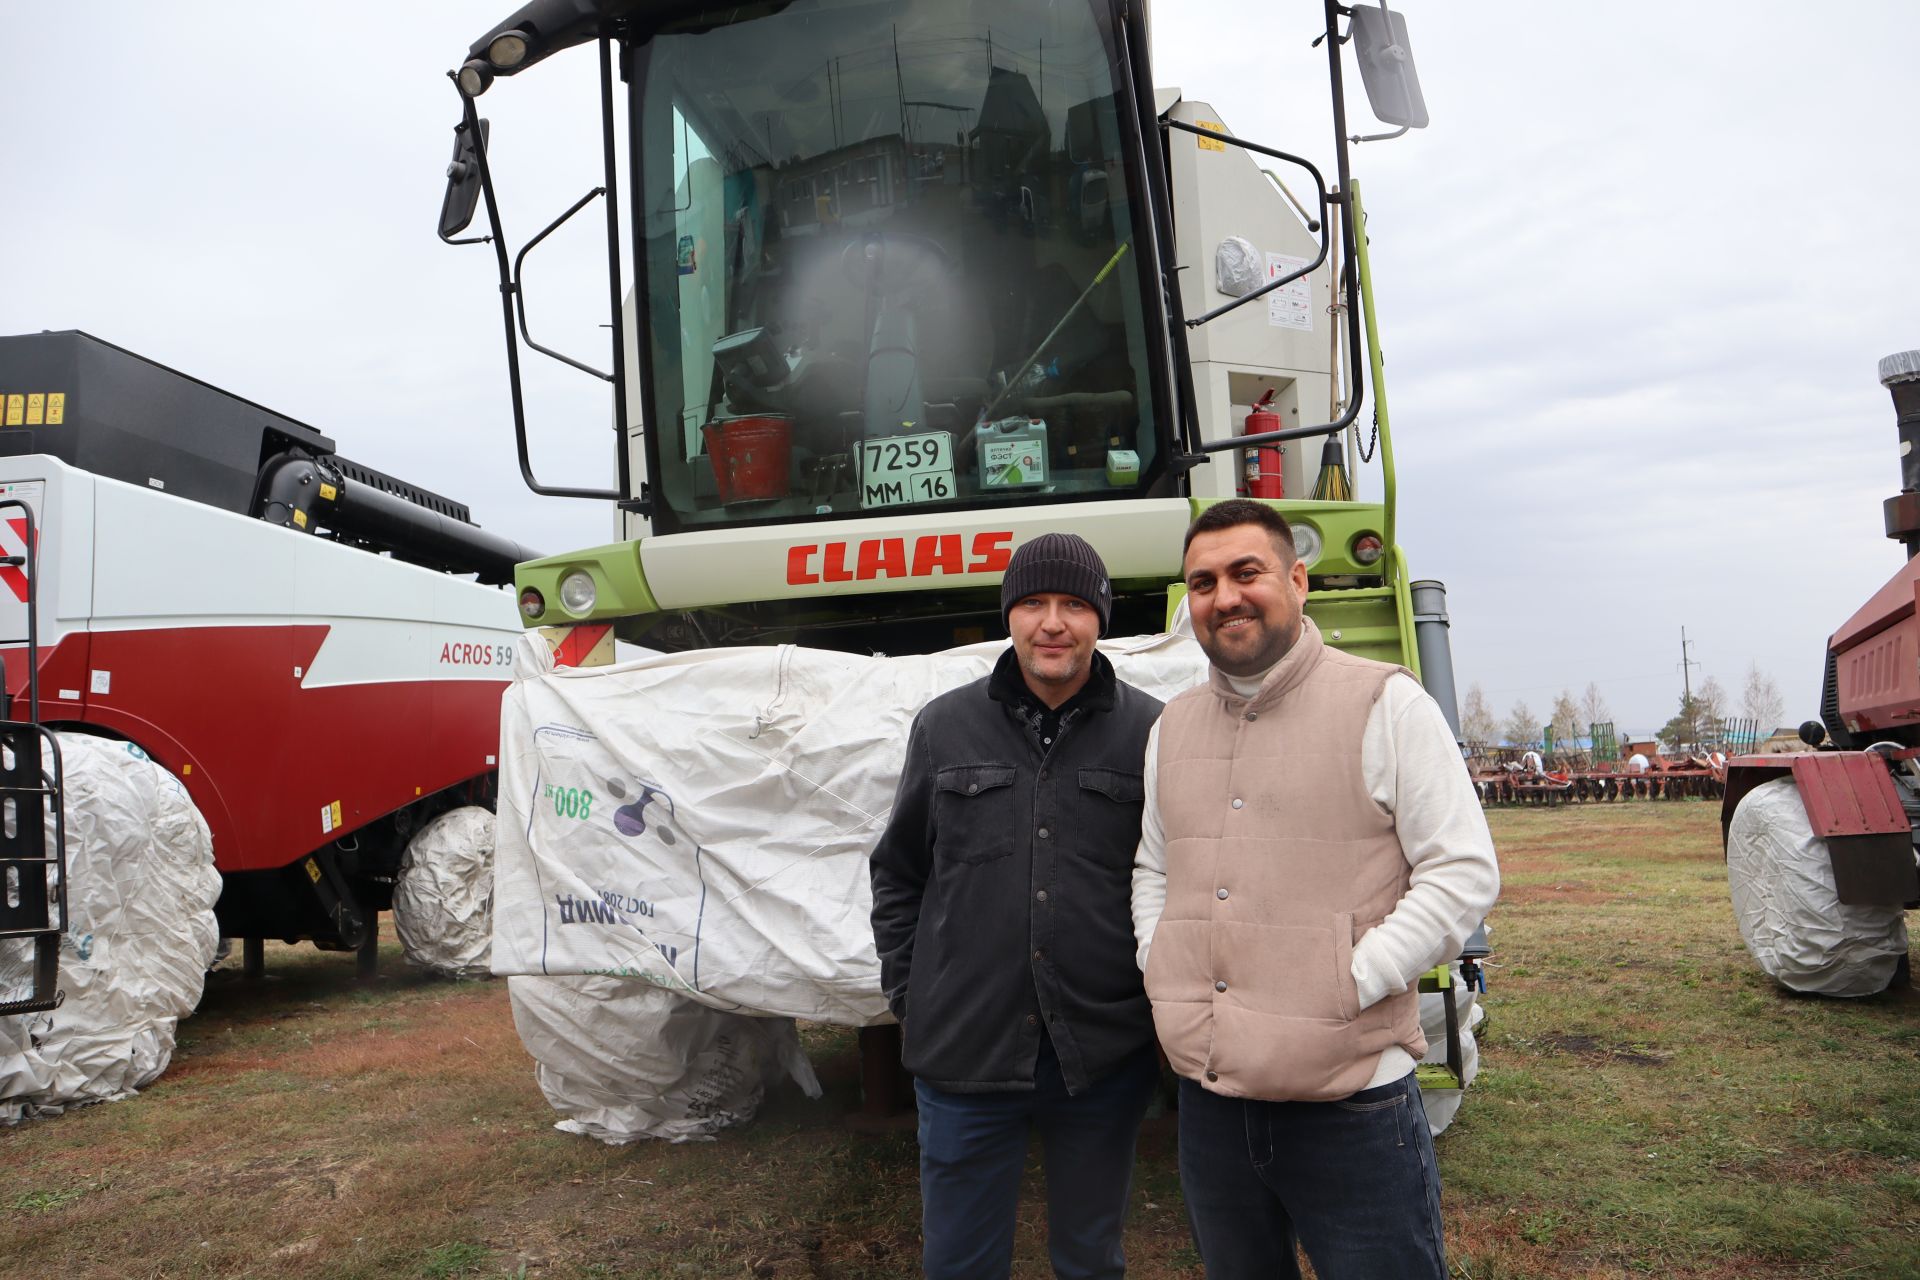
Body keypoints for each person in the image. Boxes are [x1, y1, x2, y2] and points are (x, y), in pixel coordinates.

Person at [1131, 500, 1499, 1279]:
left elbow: (1461, 870)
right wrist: (1162, 969)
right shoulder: (1171, 728)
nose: (1223, 596)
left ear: (1297, 582)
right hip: (1212, 1104)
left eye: (1245, 573)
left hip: (1352, 1107)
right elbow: (1155, 869)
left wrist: (1351, 978)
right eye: (1202, 582)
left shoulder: (1386, 703)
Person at [871, 532, 1164, 1280]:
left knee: (1090, 1259)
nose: (1053, 623)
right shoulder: (944, 727)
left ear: (1102, 617)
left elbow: (1175, 877)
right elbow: (899, 872)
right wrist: (912, 993)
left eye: (1073, 604)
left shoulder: (1155, 733)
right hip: (965, 1051)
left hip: (1100, 1054)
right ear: (1010, 615)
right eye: (1033, 603)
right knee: (960, 1264)